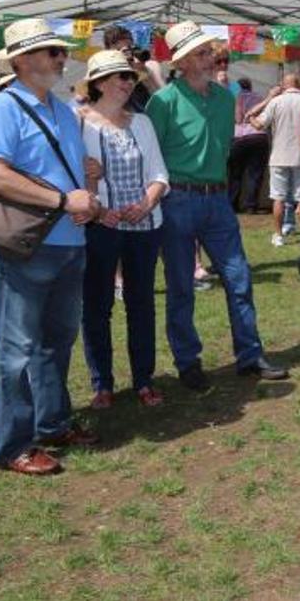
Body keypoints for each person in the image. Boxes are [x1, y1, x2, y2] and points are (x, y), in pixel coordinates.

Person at [0, 18, 102, 475]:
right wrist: (62, 198)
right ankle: (13, 445)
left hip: (69, 240)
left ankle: (52, 423)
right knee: (13, 349)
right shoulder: (2, 107)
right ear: (23, 59)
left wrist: (85, 177)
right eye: (52, 51)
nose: (61, 57)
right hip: (28, 244)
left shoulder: (61, 109)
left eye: (60, 50)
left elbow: (53, 169)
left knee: (56, 341)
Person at [146, 21, 289, 393]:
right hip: (176, 199)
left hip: (217, 199)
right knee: (181, 287)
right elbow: (152, 156)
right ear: (182, 63)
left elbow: (225, 146)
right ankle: (188, 362)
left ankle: (250, 355)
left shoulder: (225, 99)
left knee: (239, 278)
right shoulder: (162, 102)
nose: (211, 58)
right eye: (202, 53)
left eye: (210, 51)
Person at [78, 50, 171, 409]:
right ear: (99, 83)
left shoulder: (142, 123)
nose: (127, 82)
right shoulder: (78, 123)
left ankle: (144, 380)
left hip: (145, 225)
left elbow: (159, 174)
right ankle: (102, 383)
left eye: (130, 77)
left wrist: (147, 203)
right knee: (97, 305)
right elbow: (68, 177)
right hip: (98, 226)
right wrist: (98, 209)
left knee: (141, 303)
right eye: (119, 76)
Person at [248, 73, 300, 247]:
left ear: (283, 86)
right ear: (298, 84)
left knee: (278, 198)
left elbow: (259, 125)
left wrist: (251, 117)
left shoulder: (276, 102)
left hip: (279, 156)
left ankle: (278, 235)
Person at [228, 76, 269, 214]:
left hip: (238, 137)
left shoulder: (232, 98)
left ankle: (232, 204)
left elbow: (235, 118)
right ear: (250, 86)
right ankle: (251, 205)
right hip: (257, 136)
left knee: (235, 174)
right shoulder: (260, 97)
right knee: (255, 173)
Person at [101, 25, 165, 112]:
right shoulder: (105, 76)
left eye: (129, 48)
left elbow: (166, 100)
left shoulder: (151, 66)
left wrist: (145, 73)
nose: (126, 54)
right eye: (118, 50)